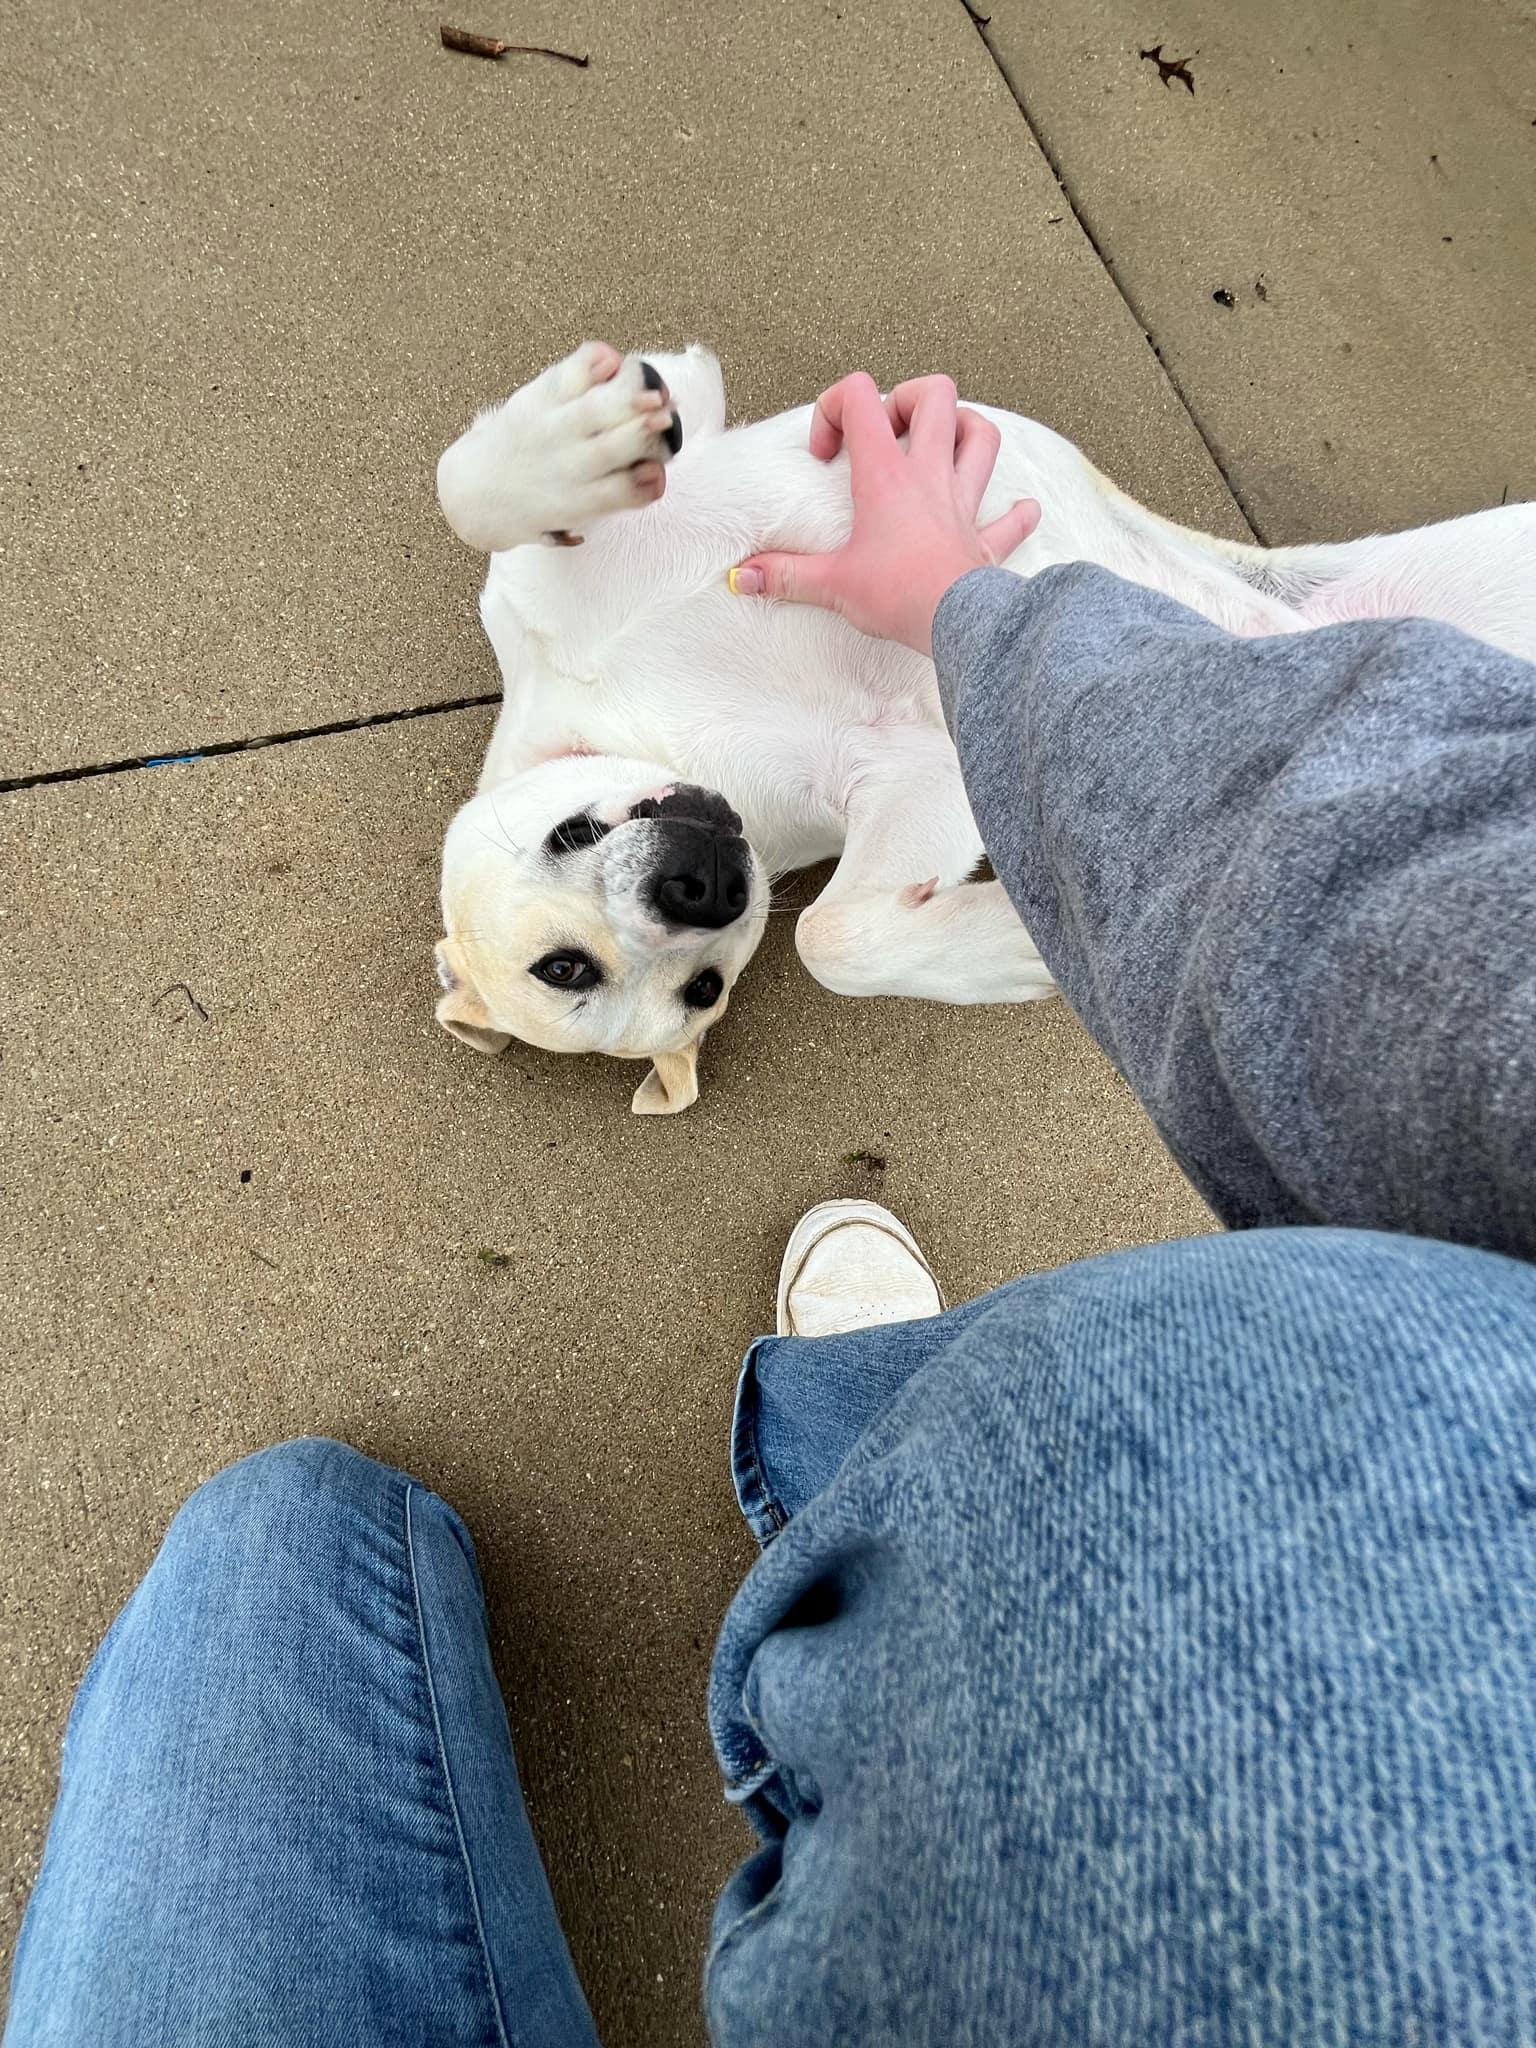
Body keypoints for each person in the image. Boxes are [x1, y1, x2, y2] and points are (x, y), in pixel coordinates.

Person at [8, 378, 1536, 2047]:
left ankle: (869, 1443)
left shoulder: (542, 625)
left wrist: (494, 481)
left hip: (1156, 690)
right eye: (690, 987)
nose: (670, 924)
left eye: (574, 963)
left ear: (456, 940)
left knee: (273, 1531)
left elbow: (668, 398)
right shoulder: (787, 817)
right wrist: (876, 933)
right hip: (1224, 683)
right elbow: (929, 761)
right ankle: (872, 1438)